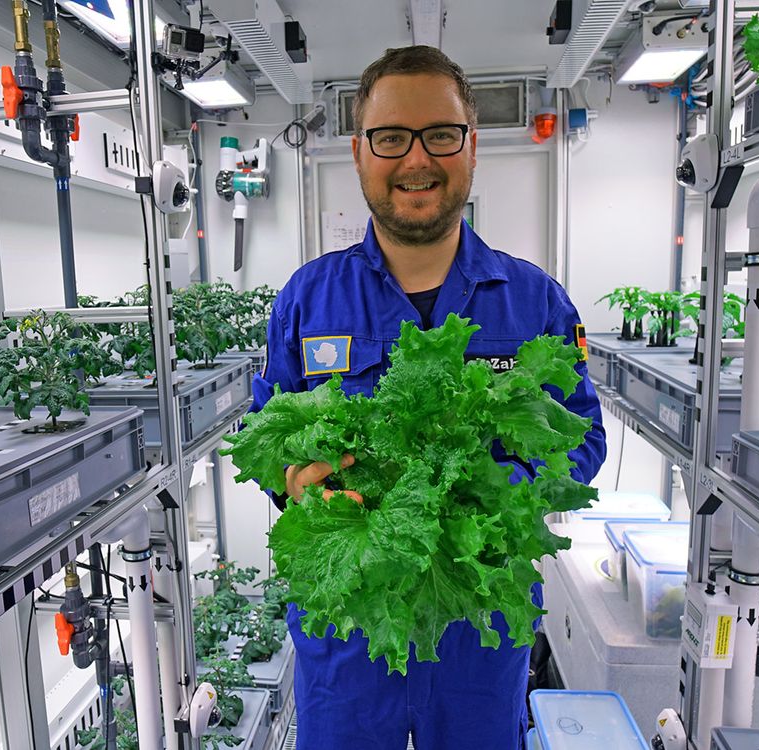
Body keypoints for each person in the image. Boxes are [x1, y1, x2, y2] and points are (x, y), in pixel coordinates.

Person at [249, 45, 606, 750]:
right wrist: (297, 481)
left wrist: (485, 494)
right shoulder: (306, 298)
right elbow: (266, 437)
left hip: (479, 620)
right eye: (391, 137)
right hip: (349, 627)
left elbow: (583, 441)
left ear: (472, 149)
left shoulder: (534, 300)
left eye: (441, 134)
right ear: (359, 153)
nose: (417, 159)